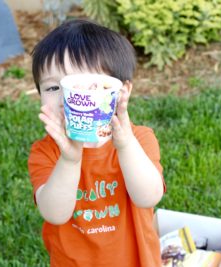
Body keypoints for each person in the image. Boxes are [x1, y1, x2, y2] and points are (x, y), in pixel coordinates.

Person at [28, 19, 166, 267]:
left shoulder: (140, 139)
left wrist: (124, 144)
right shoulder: (45, 152)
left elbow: (148, 197)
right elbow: (55, 214)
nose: (66, 98)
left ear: (121, 92)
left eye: (83, 85)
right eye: (52, 87)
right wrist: (70, 159)